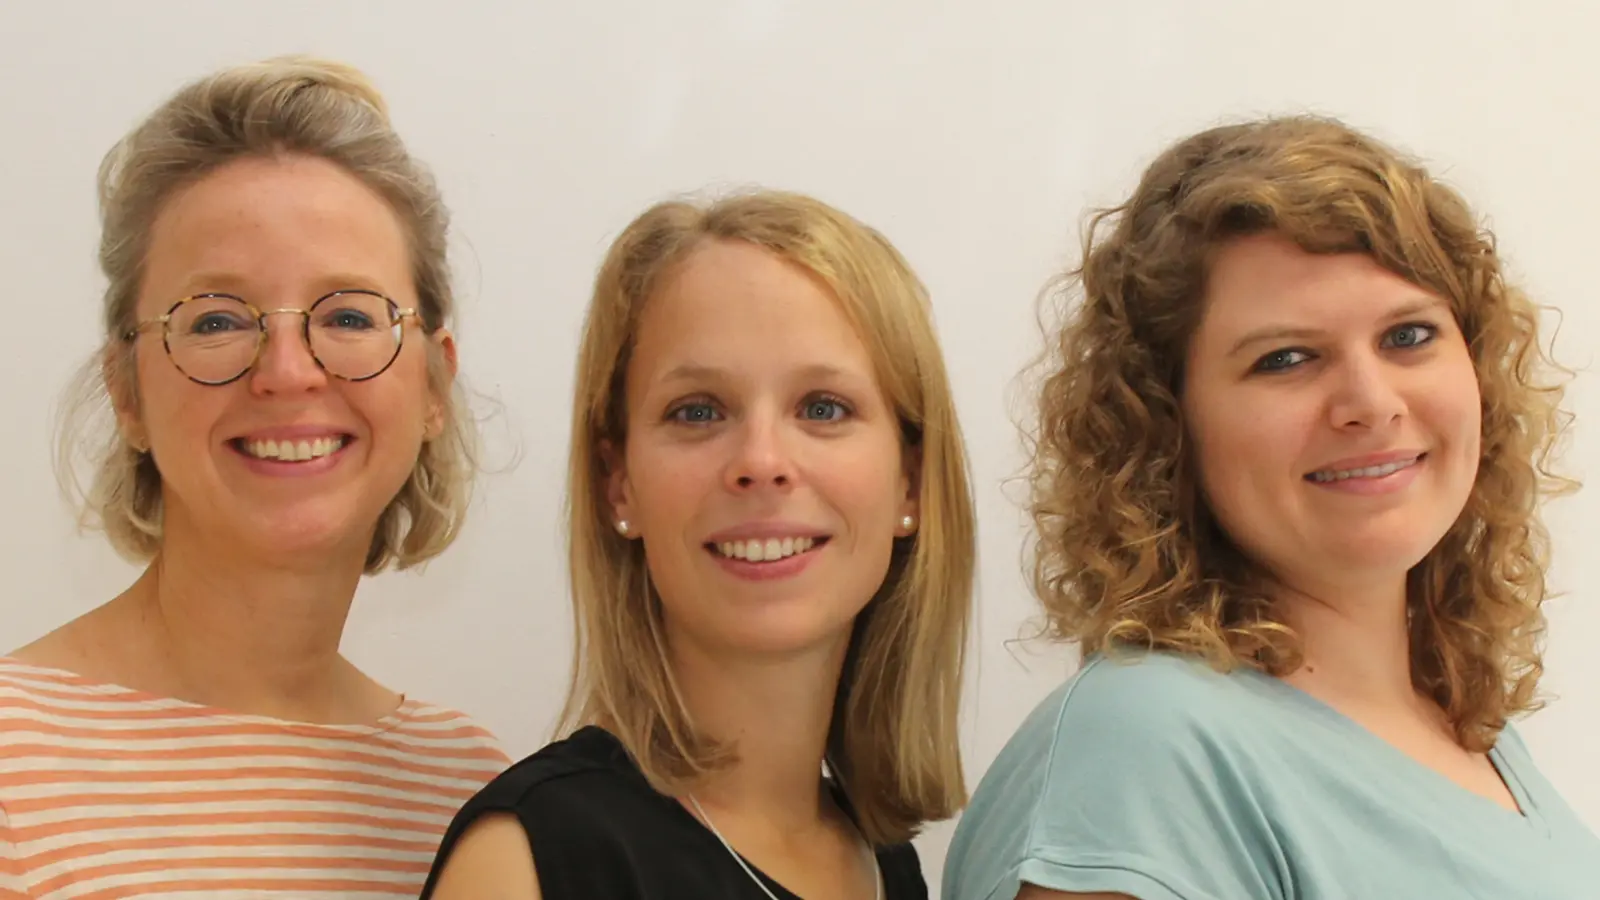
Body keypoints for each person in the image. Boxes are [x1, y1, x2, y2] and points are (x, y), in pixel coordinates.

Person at [942, 115, 1600, 900]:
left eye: (1410, 335)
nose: (1370, 402)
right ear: (1163, 423)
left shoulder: (1476, 736)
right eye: (1285, 358)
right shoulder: (1146, 751)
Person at [0, 56, 509, 899]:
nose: (286, 371)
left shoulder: (475, 794)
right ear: (127, 391)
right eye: (216, 320)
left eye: (348, 314)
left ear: (433, 384)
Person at [420, 189, 976, 899]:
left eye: (824, 407)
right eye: (699, 411)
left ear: (911, 484)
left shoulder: (885, 867)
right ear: (618, 485)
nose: (762, 459)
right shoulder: (531, 861)